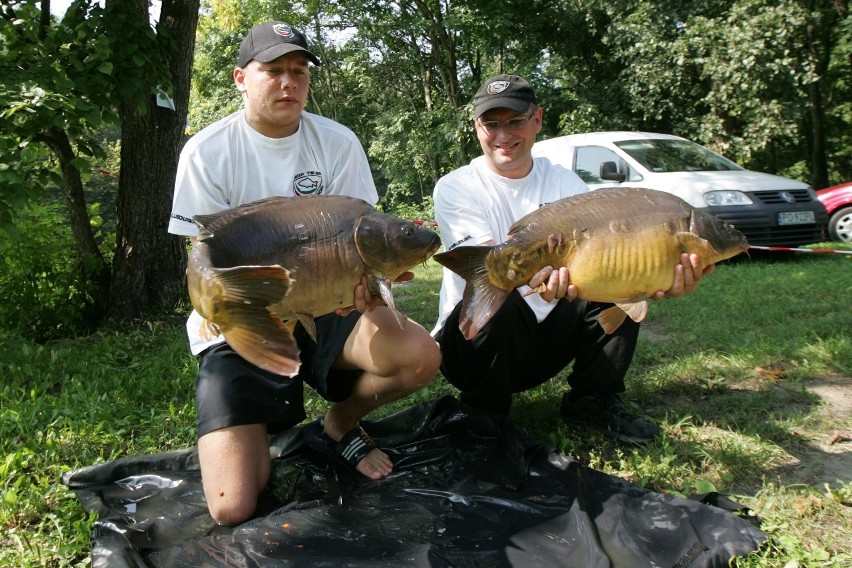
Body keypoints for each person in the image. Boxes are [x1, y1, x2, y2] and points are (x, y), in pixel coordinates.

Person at [168, 21, 439, 525]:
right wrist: (229, 307)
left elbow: (360, 239)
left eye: (298, 71)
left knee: (418, 356)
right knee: (232, 508)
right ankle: (258, 423)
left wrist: (367, 290)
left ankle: (337, 426)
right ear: (240, 78)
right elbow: (199, 256)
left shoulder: (336, 143)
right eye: (273, 71)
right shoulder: (207, 151)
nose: (288, 82)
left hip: (326, 302)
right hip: (244, 316)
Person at [431, 74, 712, 444]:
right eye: (491, 123)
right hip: (471, 346)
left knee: (623, 282)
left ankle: (591, 401)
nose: (503, 135)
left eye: (515, 121)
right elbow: (496, 263)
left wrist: (649, 280)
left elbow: (606, 257)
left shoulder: (565, 184)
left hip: (544, 344)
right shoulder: (458, 185)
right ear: (476, 127)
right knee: (504, 286)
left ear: (537, 120)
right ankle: (485, 414)